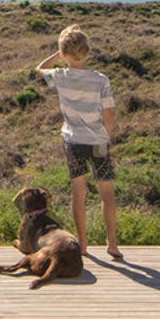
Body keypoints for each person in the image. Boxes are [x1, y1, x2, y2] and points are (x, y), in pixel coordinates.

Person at [36, 24, 122, 261]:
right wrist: (107, 132)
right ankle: (112, 244)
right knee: (107, 192)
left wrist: (57, 53)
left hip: (73, 141)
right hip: (98, 141)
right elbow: (109, 112)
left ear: (64, 53)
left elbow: (40, 68)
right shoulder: (100, 80)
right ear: (87, 50)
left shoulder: (60, 76)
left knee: (78, 192)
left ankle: (83, 244)